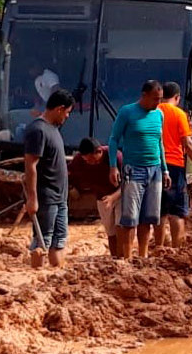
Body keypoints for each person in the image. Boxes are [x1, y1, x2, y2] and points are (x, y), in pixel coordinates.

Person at [108, 80, 168, 259]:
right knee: (130, 219)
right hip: (133, 170)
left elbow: (160, 143)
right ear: (144, 95)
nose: (158, 103)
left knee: (148, 218)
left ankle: (143, 256)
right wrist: (113, 166)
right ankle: (127, 257)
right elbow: (113, 139)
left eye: (160, 99)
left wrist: (164, 170)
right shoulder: (127, 112)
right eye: (155, 99)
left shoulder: (159, 115)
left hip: (155, 170)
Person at [23, 89, 75, 268]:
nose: (67, 117)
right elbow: (30, 166)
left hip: (59, 197)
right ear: (60, 109)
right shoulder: (38, 130)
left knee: (59, 240)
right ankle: (36, 276)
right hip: (46, 197)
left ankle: (55, 277)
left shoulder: (53, 129)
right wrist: (32, 199)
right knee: (42, 241)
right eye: (67, 112)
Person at [153, 81, 192, 249]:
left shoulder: (153, 112)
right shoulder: (179, 114)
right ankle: (176, 249)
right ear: (177, 97)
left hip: (155, 164)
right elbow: (187, 143)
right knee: (176, 212)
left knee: (159, 211)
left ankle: (159, 247)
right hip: (174, 165)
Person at [68, 137, 122, 257]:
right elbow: (67, 174)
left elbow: (130, 182)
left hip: (120, 194)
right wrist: (71, 188)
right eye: (87, 161)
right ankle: (115, 258)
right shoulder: (79, 161)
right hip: (101, 197)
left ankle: (124, 257)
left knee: (121, 226)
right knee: (110, 231)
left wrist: (113, 197)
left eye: (93, 160)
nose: (91, 163)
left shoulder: (115, 156)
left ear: (99, 151)